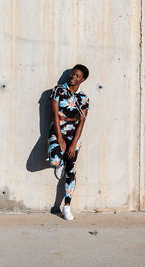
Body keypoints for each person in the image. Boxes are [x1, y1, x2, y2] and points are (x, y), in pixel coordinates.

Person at [48, 64, 90, 220]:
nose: (73, 77)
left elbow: (81, 123)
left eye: (77, 76)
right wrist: (60, 138)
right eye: (72, 74)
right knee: (55, 159)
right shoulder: (58, 90)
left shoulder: (84, 98)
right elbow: (54, 114)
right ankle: (60, 164)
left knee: (71, 168)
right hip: (58, 129)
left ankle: (66, 206)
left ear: (83, 79)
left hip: (74, 132)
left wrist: (73, 144)